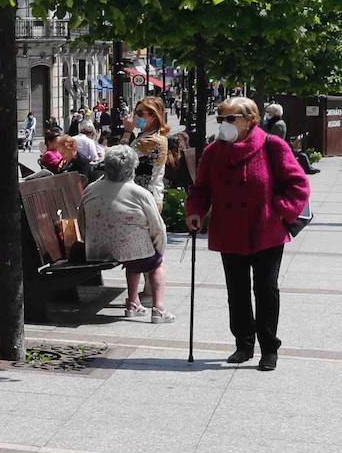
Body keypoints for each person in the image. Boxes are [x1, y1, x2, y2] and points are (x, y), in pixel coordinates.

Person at [186, 97, 309, 371]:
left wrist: (280, 210)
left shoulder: (271, 145)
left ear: (249, 119)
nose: (224, 125)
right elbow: (201, 188)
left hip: (265, 230)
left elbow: (297, 184)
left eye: (230, 119)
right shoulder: (213, 152)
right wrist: (195, 210)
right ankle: (244, 343)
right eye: (221, 120)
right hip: (229, 230)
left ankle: (269, 348)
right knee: (237, 291)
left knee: (266, 290)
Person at [79, 145, 174, 322]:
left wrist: (89, 240)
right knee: (155, 262)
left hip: (97, 249)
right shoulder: (140, 193)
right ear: (132, 167)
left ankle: (133, 302)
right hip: (130, 249)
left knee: (133, 253)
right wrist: (159, 248)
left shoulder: (90, 189)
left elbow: (82, 223)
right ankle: (159, 309)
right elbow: (157, 227)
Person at [132, 96, 170, 206]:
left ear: (153, 116)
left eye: (140, 113)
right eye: (135, 112)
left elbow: (121, 159)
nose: (135, 116)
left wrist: (127, 131)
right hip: (146, 196)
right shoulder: (150, 135)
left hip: (145, 198)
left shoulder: (151, 140)